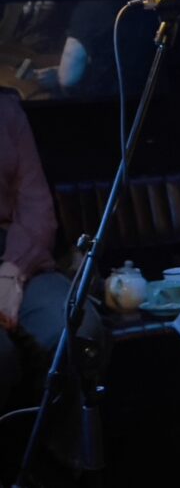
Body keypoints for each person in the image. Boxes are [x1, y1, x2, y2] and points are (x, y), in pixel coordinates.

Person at [0, 88, 100, 411]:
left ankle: (53, 438)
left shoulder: (6, 111)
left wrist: (12, 273)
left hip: (14, 253)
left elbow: (35, 207)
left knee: (77, 330)